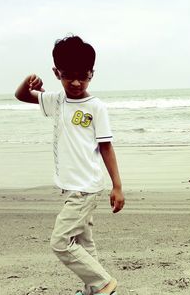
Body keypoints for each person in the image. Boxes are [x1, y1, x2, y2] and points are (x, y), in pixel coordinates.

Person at [15, 35, 124, 295]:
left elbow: (106, 147)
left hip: (85, 189)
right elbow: (21, 95)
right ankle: (93, 289)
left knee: (61, 242)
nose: (76, 82)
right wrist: (29, 81)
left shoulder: (96, 107)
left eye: (83, 77)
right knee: (84, 243)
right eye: (68, 76)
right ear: (57, 72)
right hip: (72, 188)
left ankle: (104, 284)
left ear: (92, 75)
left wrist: (117, 186)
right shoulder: (57, 101)